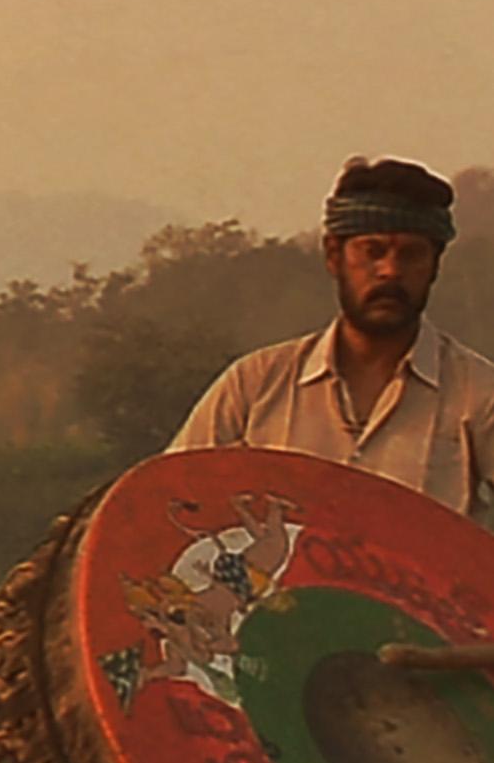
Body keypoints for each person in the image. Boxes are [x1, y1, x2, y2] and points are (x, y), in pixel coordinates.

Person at [172, 159, 482, 516]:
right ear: (334, 257)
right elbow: (170, 496)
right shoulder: (255, 386)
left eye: (411, 255)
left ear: (435, 265)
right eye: (373, 251)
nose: (390, 271)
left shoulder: (477, 395)